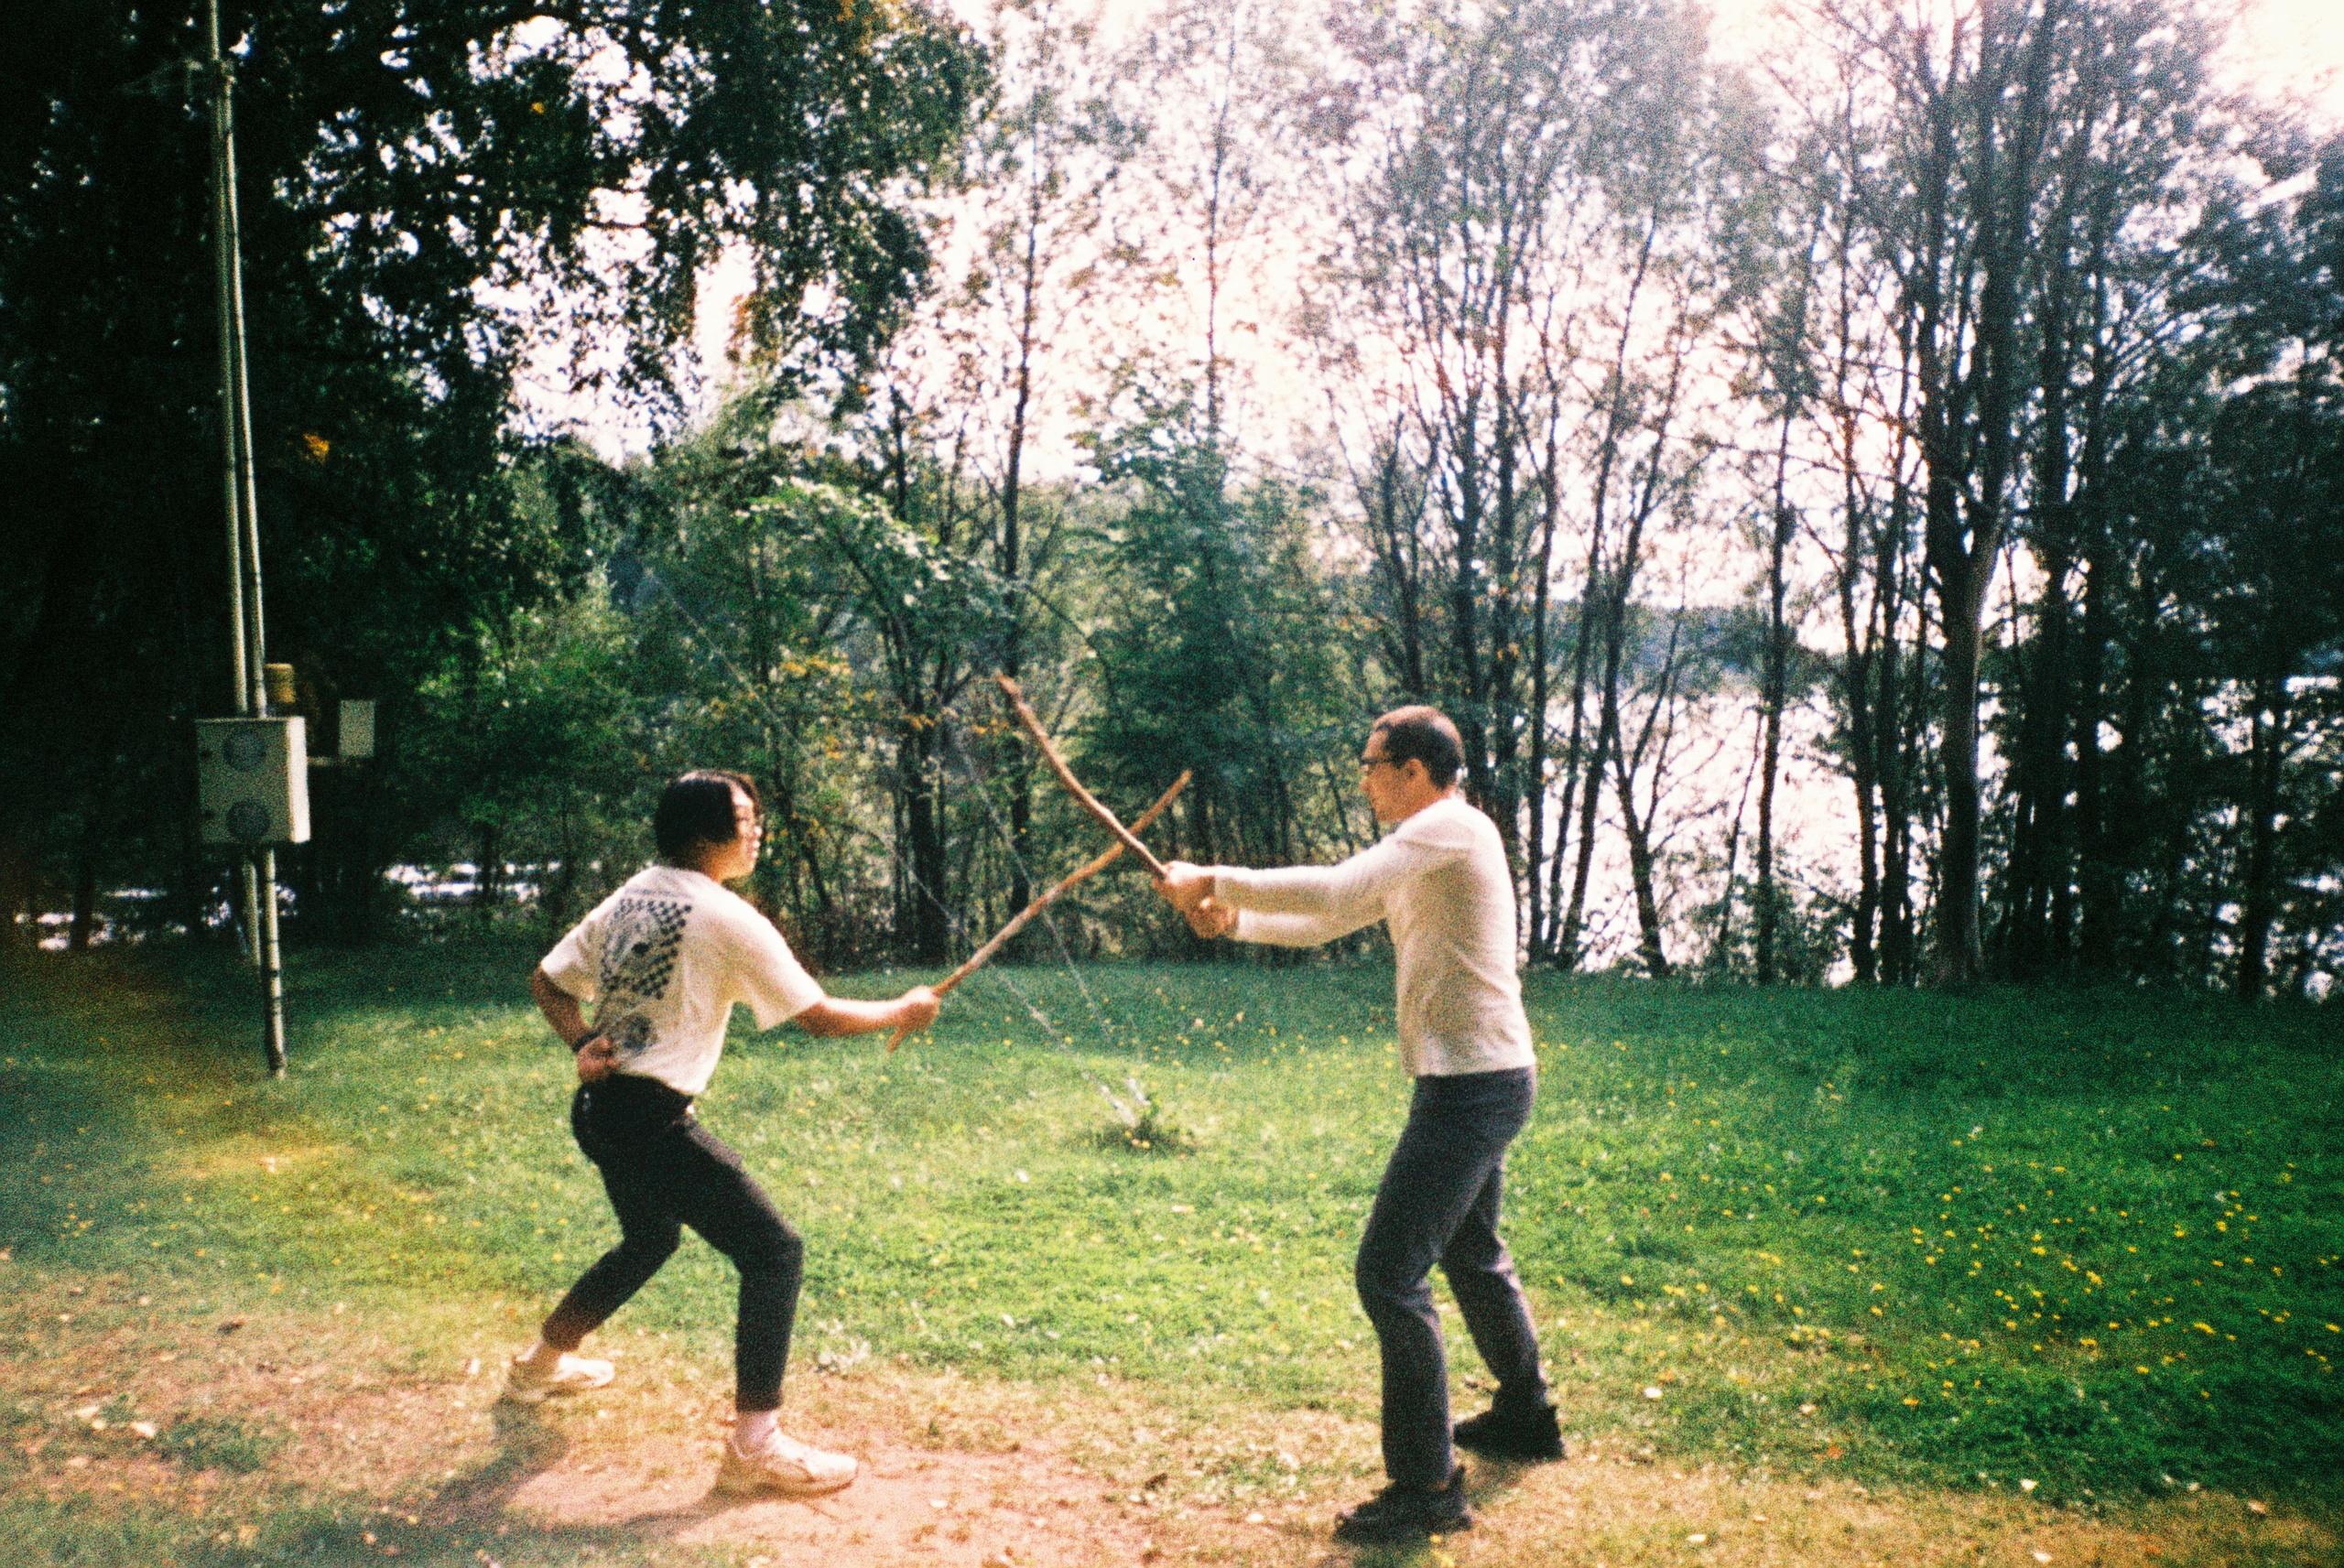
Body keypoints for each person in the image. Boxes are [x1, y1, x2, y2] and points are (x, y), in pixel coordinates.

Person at [1155, 707, 1561, 1542]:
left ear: (1415, 770)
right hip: (1477, 1076)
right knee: (1471, 1251)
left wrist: (1214, 877)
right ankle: (1526, 1412)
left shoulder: (1447, 824)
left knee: (1389, 1275)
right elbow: (1337, 915)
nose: (1365, 778)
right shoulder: (1427, 843)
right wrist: (1238, 920)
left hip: (1473, 1086)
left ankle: (1428, 1489)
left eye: (1374, 765)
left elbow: (1337, 886)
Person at [509, 769, 939, 1498]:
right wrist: (902, 1007)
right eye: (747, 818)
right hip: (648, 1120)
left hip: (603, 1111)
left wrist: (580, 1041)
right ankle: (755, 1445)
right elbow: (819, 1016)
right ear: (705, 833)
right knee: (775, 1250)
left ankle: (538, 1366)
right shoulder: (726, 917)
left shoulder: (633, 893)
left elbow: (547, 980)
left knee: (650, 1239)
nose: (758, 829)